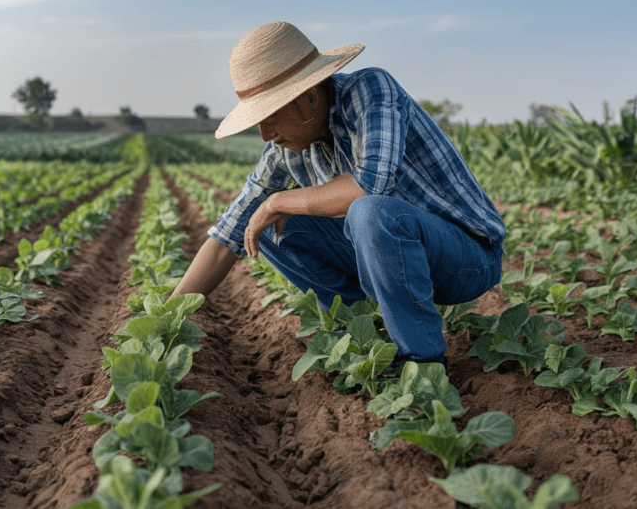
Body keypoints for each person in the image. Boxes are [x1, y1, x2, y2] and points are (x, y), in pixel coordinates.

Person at [171, 21, 505, 367]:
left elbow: (370, 186)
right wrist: (169, 314)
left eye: (269, 115)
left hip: (466, 259)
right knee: (259, 225)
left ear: (310, 97)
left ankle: (421, 363)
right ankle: (362, 328)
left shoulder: (371, 90)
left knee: (369, 211)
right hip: (391, 263)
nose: (265, 133)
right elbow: (227, 236)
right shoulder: (285, 148)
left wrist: (278, 200)